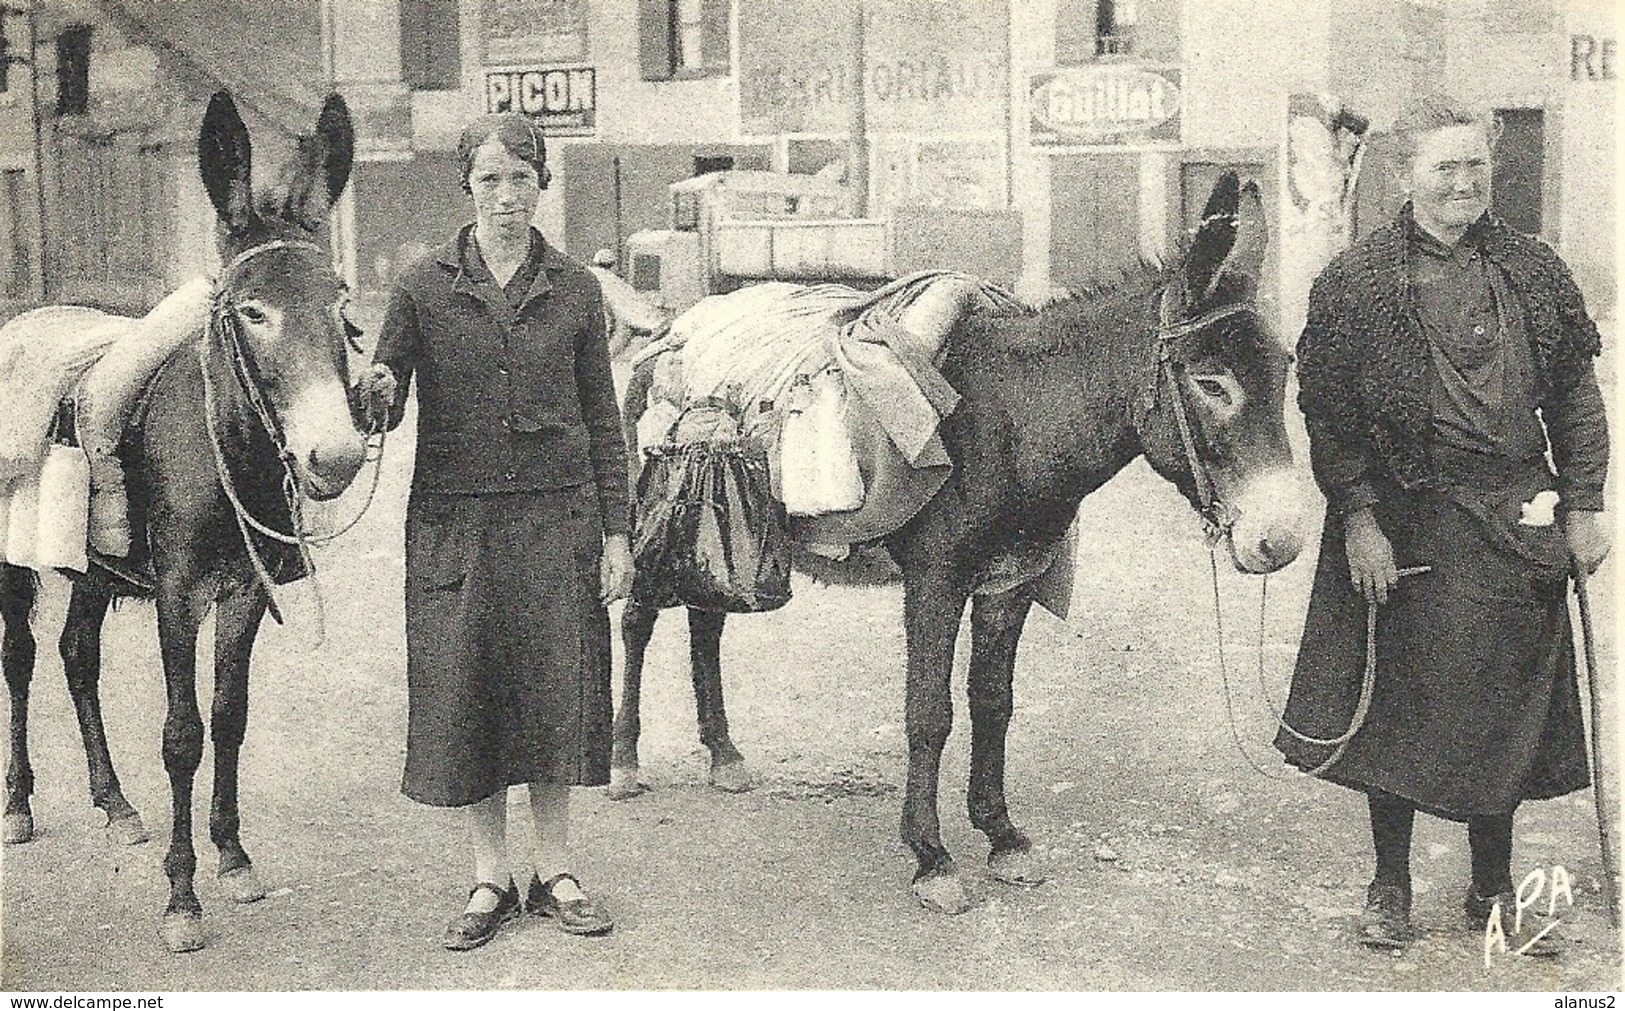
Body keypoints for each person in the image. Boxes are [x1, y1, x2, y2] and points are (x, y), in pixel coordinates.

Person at [1277, 94, 1610, 955]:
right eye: (1443, 167)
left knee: (1502, 710)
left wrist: (1584, 503)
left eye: (1475, 164)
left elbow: (1574, 396)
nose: (1462, 182)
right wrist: (1357, 517)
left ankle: (1492, 890)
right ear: (1403, 175)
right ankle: (1388, 884)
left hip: (1514, 522)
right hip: (1405, 525)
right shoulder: (1354, 284)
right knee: (1396, 707)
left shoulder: (1535, 270)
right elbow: (1329, 415)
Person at [355, 113, 633, 950]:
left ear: (541, 184)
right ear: (465, 188)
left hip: (560, 522)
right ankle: (489, 876)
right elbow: (388, 394)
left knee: (557, 694)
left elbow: (603, 421)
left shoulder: (578, 289)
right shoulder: (419, 285)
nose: (507, 197)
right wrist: (370, 388)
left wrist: (617, 535)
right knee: (465, 697)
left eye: (521, 179)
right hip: (457, 526)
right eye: (489, 180)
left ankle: (556, 871)